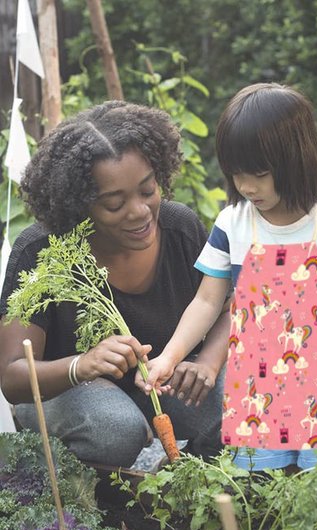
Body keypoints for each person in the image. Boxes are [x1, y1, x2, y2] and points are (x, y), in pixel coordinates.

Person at [142, 82, 317, 471]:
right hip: (257, 393)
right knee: (260, 494)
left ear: (297, 160)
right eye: (237, 175)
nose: (246, 187)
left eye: (259, 174)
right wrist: (170, 356)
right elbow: (206, 301)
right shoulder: (232, 224)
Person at [0, 101, 230, 467]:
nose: (139, 211)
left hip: (162, 381)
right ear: (79, 205)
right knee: (115, 430)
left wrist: (208, 363)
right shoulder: (42, 251)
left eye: (147, 189)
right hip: (69, 392)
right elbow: (12, 377)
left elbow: (224, 309)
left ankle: (181, 471)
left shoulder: (180, 229)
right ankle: (66, 487)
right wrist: (82, 365)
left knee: (241, 398)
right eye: (114, 203)